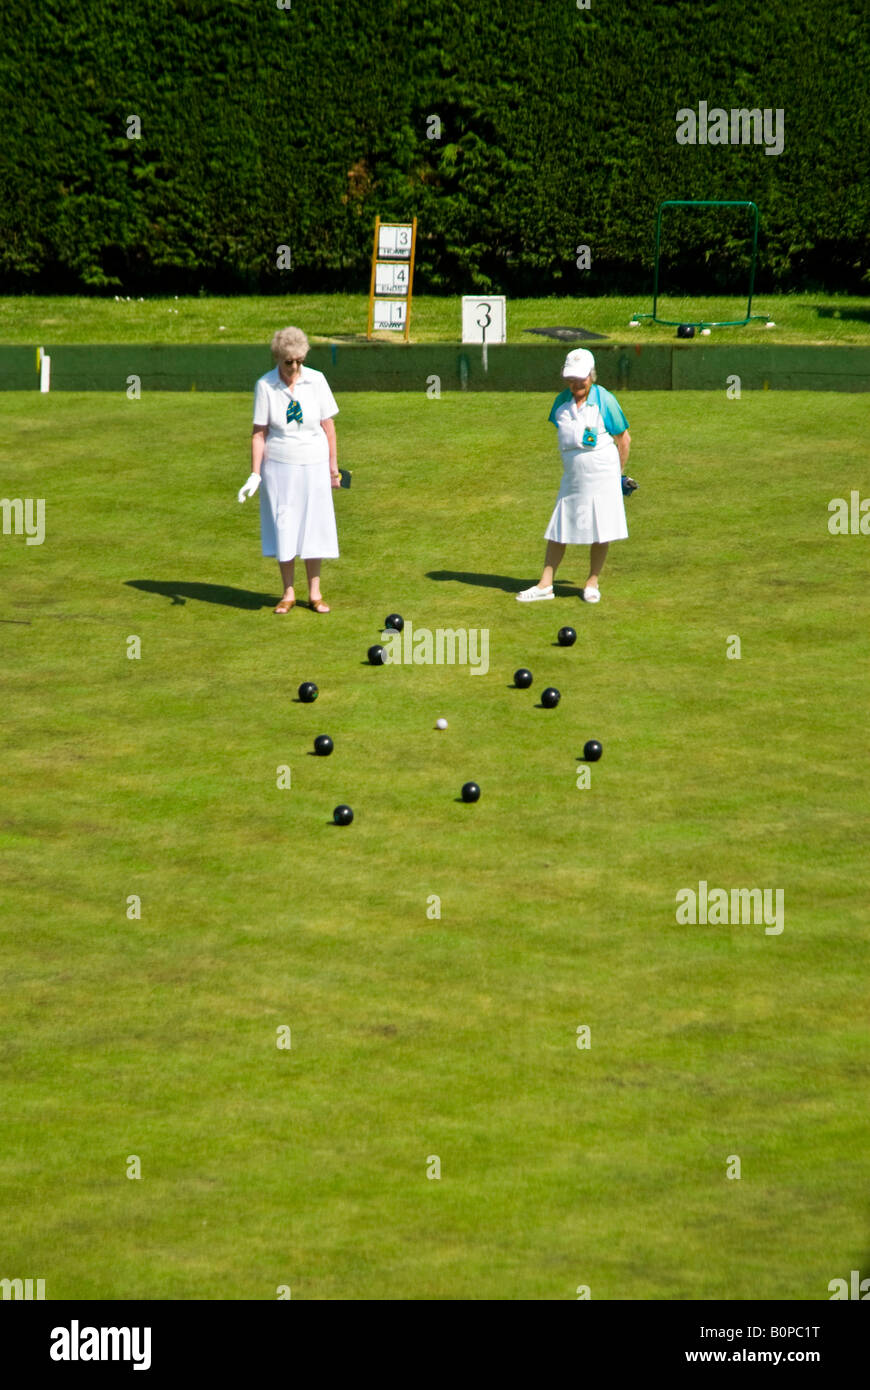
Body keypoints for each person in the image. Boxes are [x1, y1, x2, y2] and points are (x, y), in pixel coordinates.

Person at [238, 326, 341, 613]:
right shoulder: (265, 385)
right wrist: (255, 473)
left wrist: (333, 469)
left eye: (299, 360)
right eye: (288, 362)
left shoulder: (317, 381)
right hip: (279, 467)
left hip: (315, 463)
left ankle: (315, 594)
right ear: (277, 358)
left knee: (314, 526)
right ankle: (288, 593)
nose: (294, 367)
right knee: (285, 526)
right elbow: (259, 433)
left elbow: (328, 427)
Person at [516, 348, 631, 605]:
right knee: (559, 528)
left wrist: (619, 477)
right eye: (570, 379)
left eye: (580, 378)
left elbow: (623, 439)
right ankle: (545, 585)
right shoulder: (561, 403)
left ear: (592, 376)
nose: (575, 384)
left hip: (603, 476)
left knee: (602, 529)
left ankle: (592, 582)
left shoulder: (605, 400)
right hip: (573, 479)